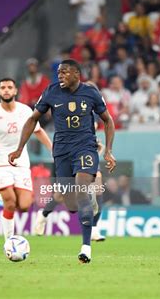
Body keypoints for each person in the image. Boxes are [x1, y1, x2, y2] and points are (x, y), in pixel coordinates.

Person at [8, 59, 116, 263]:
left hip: (85, 147)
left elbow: (108, 120)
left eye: (65, 72)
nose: (60, 76)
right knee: (71, 204)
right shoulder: (51, 91)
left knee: (83, 191)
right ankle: (49, 213)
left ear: (77, 74)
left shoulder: (90, 92)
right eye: (58, 73)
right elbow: (33, 119)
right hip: (62, 151)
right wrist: (19, 148)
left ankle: (86, 248)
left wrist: (108, 151)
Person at [0, 78, 52, 241]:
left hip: (21, 162)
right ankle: (9, 241)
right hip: (1, 162)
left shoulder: (25, 111)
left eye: (10, 87)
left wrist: (52, 149)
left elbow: (38, 131)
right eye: (3, 88)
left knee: (24, 206)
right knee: (10, 204)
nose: (6, 90)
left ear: (16, 91)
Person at [34, 138, 107, 242]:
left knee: (97, 183)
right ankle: (44, 213)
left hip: (86, 152)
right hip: (69, 153)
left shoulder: (90, 124)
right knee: (61, 195)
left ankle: (94, 227)